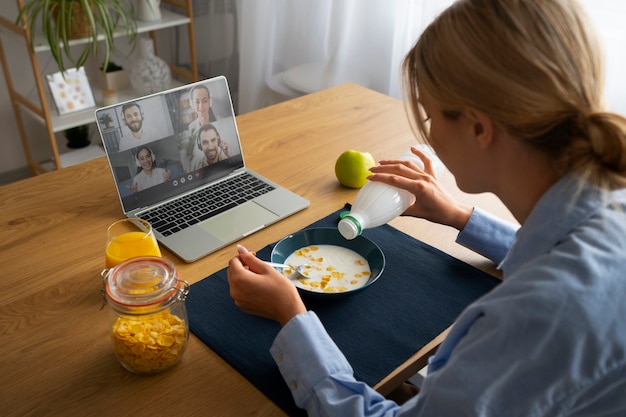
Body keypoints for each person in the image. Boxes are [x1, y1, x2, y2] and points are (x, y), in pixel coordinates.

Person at [226, 0, 626, 415]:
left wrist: (292, 317)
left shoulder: (530, 319)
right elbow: (557, 251)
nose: (429, 135)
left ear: (478, 127)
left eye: (431, 117)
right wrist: (456, 215)